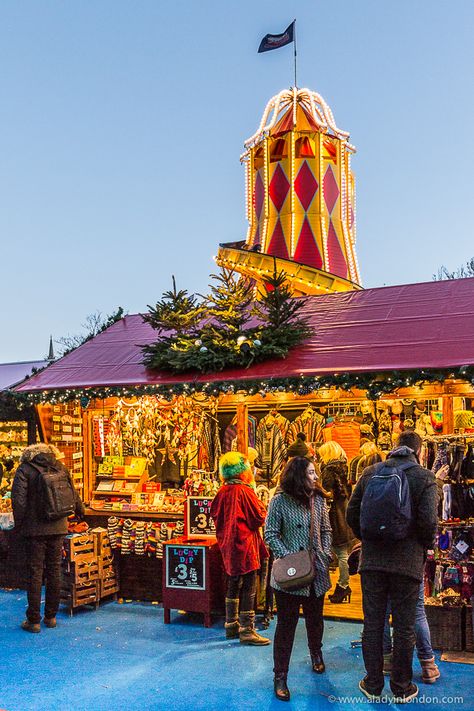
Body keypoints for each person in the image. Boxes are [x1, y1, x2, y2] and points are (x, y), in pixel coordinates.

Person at [346, 431, 438, 703]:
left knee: (373, 624)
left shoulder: (370, 472)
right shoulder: (424, 477)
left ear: (395, 447)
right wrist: (419, 546)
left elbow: (353, 513)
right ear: (418, 452)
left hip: (372, 561)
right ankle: (402, 687)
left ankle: (373, 684)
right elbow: (428, 523)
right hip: (407, 563)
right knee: (404, 626)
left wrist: (370, 539)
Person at [265, 457, 332, 702]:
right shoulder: (279, 501)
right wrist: (288, 558)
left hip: (317, 573)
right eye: (311, 473)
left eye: (316, 472)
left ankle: (316, 652)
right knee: (286, 626)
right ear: (297, 475)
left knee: (315, 620)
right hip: (289, 578)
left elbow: (326, 530)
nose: (315, 477)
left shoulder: (319, 499)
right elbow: (270, 533)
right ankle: (280, 675)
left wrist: (324, 554)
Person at [11, 443, 85, 632]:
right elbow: (73, 493)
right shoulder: (59, 467)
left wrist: (19, 526)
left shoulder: (25, 469)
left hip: (34, 530)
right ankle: (50, 617)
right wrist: (80, 512)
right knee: (54, 570)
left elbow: (18, 501)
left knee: (35, 573)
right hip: (58, 526)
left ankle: (34, 620)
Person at [210, 451, 270, 646]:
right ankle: (247, 629)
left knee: (233, 583)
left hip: (227, 545)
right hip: (245, 546)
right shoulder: (244, 491)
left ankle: (231, 624)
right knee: (249, 586)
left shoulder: (221, 491)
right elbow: (259, 517)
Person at [383, 574, 440, 684]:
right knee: (417, 613)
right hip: (412, 566)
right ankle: (428, 666)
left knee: (383, 613)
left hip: (381, 567)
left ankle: (386, 660)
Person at [318, 441, 353, 603]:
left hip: (332, 515)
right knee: (342, 552)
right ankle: (343, 585)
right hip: (343, 512)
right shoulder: (344, 468)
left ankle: (341, 585)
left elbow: (326, 494)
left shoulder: (328, 471)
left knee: (335, 552)